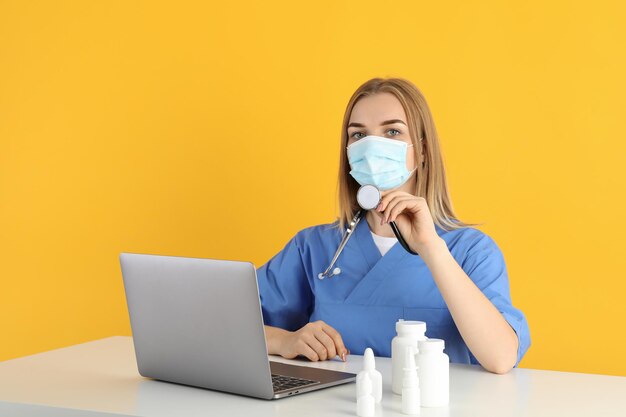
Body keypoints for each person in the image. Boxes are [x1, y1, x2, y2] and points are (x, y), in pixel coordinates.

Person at [257, 77, 531, 374]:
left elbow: (501, 357)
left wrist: (430, 248)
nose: (372, 147)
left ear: (422, 151)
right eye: (358, 135)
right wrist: (284, 340)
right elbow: (225, 323)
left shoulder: (470, 251)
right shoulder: (313, 247)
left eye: (392, 131)